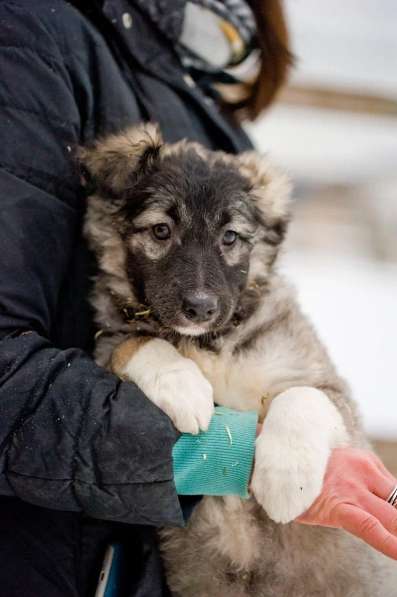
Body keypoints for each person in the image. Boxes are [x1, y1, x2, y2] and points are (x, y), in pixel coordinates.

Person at [0, 1, 396, 596]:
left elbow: (312, 389)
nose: (202, 292)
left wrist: (301, 421)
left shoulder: (203, 86)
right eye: (162, 232)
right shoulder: (38, 35)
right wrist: (227, 454)